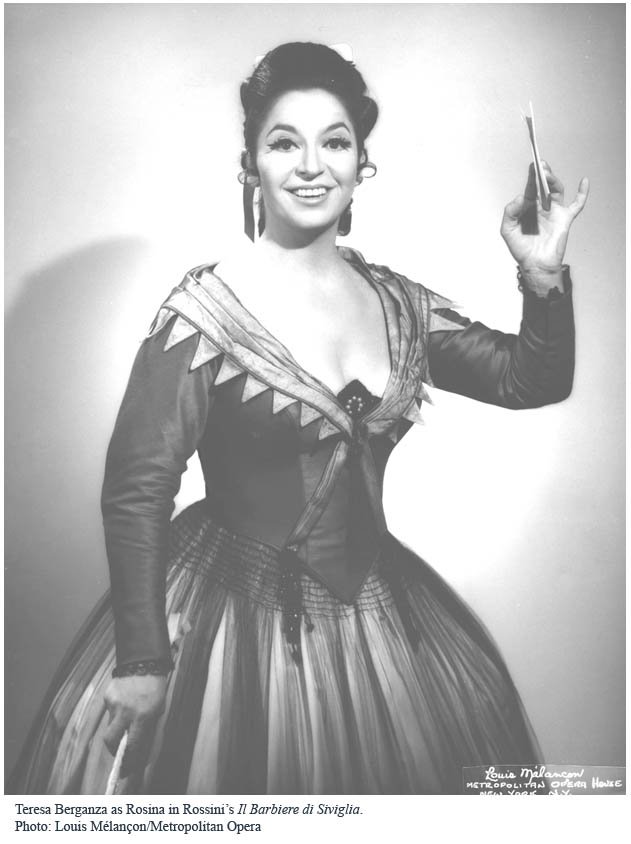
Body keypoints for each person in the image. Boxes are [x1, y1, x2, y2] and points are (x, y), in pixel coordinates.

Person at [10, 41, 588, 795]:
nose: (312, 166)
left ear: (361, 163)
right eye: (285, 143)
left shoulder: (398, 304)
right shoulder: (203, 315)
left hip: (381, 619)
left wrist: (541, 270)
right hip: (230, 623)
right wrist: (144, 659)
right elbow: (136, 488)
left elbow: (529, 380)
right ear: (250, 164)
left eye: (335, 143)